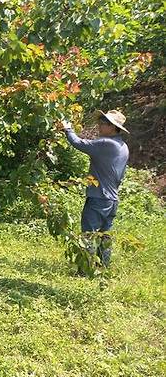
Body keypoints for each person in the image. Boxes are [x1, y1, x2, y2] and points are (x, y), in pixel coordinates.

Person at [62, 110, 129, 267]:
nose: (99, 125)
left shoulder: (107, 143)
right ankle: (103, 268)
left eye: (103, 123)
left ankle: (85, 269)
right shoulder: (123, 146)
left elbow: (78, 143)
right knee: (105, 235)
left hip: (99, 197)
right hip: (112, 199)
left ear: (113, 127)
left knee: (88, 233)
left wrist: (68, 129)